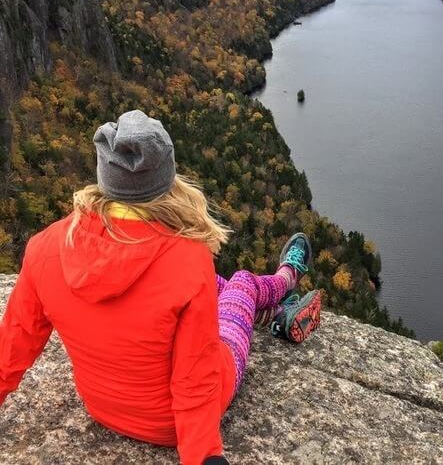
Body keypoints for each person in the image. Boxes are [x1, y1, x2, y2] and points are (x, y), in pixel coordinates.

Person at [0, 110, 322, 464]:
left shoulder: (45, 247)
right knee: (241, 284)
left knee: (214, 286)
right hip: (172, 425)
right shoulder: (187, 259)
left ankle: (276, 313)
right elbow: (195, 383)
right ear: (166, 182)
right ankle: (285, 279)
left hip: (103, 408)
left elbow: (12, 348)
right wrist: (203, 457)